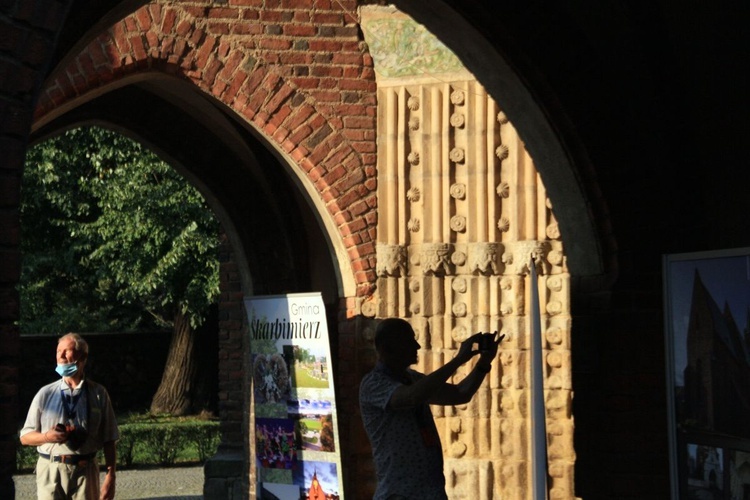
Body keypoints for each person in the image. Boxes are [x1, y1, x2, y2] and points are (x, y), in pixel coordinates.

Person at [359, 318, 503, 499]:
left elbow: (460, 393)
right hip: (399, 494)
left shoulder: (412, 378)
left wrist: (483, 363)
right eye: (410, 341)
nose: (417, 346)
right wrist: (458, 360)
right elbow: (411, 396)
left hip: (430, 492)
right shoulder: (373, 384)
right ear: (389, 347)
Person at [20, 333, 119, 500]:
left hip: (86, 472)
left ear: (83, 356)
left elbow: (109, 438)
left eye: (67, 350)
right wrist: (47, 436)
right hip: (51, 470)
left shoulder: (98, 394)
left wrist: (111, 475)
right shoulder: (45, 393)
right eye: (58, 351)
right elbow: (25, 437)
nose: (61, 355)